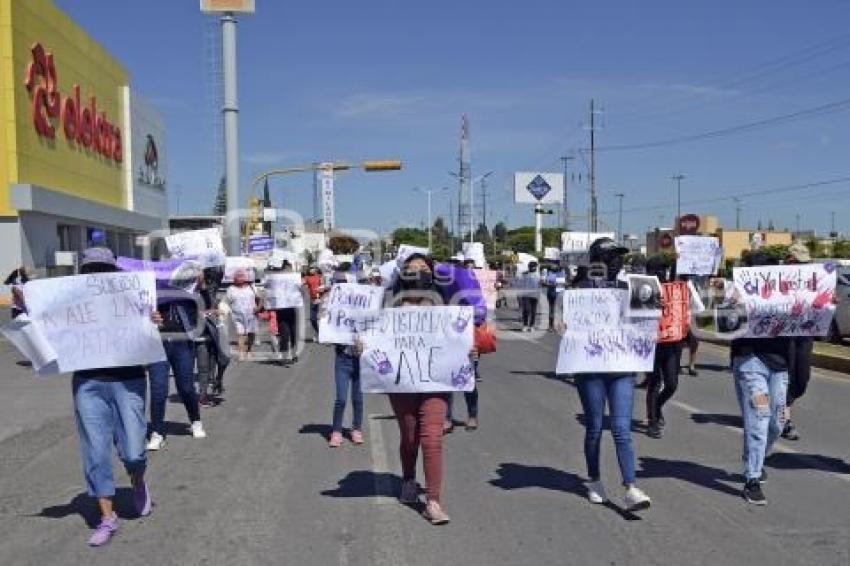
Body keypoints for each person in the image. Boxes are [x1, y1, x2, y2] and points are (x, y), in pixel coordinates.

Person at [359, 253, 459, 524]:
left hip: (435, 382)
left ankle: (434, 501)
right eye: (411, 268)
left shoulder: (446, 310)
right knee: (411, 435)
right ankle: (409, 480)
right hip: (401, 383)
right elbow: (370, 335)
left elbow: (458, 341)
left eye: (423, 267)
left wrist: (469, 349)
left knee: (432, 438)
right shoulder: (388, 310)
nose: (417, 271)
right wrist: (364, 345)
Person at [70, 248, 154, 546]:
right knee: (95, 450)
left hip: (128, 379)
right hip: (88, 382)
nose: (97, 275)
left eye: (103, 269)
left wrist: (151, 320)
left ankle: (137, 479)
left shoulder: (132, 299)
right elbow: (45, 325)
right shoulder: (72, 302)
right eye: (91, 270)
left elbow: (149, 332)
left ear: (114, 272)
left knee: (133, 450)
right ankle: (108, 517)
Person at [569, 237, 652, 511]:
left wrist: (652, 307)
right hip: (591, 369)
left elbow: (645, 324)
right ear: (597, 261)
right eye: (610, 257)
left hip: (622, 367)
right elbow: (566, 323)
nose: (617, 261)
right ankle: (594, 480)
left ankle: (630, 487)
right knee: (594, 428)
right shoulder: (580, 289)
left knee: (621, 429)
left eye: (619, 257)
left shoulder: (632, 287)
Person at [729, 251, 790, 505]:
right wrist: (730, 305)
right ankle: (752, 478)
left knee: (776, 422)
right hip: (750, 361)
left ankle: (757, 458)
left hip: (779, 363)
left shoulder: (786, 293)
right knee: (759, 416)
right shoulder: (734, 293)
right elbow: (725, 327)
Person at [146, 259, 207, 451]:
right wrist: (150, 316)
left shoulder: (188, 292)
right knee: (158, 389)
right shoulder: (150, 296)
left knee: (186, 387)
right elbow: (138, 316)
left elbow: (202, 294)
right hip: (157, 344)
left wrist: (199, 277)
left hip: (181, 342)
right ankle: (157, 432)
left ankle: (195, 420)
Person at [441, 259, 487, 432]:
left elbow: (480, 314)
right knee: (446, 379)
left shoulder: (472, 290)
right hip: (445, 339)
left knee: (469, 378)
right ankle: (447, 418)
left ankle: (472, 415)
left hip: (468, 340)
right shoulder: (441, 288)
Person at [644, 255, 687, 439]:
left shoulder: (675, 288)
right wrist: (648, 304)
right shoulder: (642, 289)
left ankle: (657, 406)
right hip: (650, 344)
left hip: (671, 343)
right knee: (654, 383)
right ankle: (652, 421)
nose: (661, 273)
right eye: (657, 270)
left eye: (663, 269)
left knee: (671, 384)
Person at [328, 269, 367, 448]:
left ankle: (356, 428)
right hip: (343, 360)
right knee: (341, 398)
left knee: (358, 399)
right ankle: (336, 430)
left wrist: (365, 343)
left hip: (361, 362)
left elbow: (376, 333)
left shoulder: (367, 310)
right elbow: (328, 330)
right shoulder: (337, 308)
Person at [782, 242, 814, 441]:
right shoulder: (777, 281)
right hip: (781, 337)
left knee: (800, 382)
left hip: (804, 336)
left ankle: (782, 409)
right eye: (799, 263)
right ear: (789, 262)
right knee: (782, 379)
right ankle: (784, 419)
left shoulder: (814, 280)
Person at [196, 267, 230, 407]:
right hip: (200, 337)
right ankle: (202, 397)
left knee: (219, 362)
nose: (213, 286)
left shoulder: (214, 297)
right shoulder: (195, 294)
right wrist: (212, 312)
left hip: (214, 335)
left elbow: (222, 311)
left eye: (215, 283)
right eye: (211, 282)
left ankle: (216, 381)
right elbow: (195, 313)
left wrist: (219, 311)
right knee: (203, 368)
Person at [273, 261, 304, 365]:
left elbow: (301, 291)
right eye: (288, 268)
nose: (289, 270)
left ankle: (293, 354)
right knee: (285, 334)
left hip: (291, 308)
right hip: (281, 309)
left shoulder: (294, 278)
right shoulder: (276, 278)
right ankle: (284, 356)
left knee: (293, 333)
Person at [226, 269, 260, 362]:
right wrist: (226, 311)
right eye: (237, 276)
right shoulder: (231, 289)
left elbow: (260, 298)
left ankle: (249, 350)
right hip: (237, 316)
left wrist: (258, 308)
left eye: (241, 276)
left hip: (251, 316)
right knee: (240, 334)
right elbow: (227, 302)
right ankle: (241, 353)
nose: (239, 278)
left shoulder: (252, 287)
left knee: (251, 334)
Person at [518, 261, 541, 332]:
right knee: (526, 310)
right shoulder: (524, 274)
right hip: (526, 294)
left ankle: (532, 326)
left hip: (535, 294)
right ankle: (525, 325)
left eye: (534, 267)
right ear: (529, 267)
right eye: (531, 267)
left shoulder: (538, 275)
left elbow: (540, 283)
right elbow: (520, 283)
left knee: (533, 311)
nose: (533, 268)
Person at [303, 266, 324, 340]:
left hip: (319, 299)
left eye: (313, 269)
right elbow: (301, 284)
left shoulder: (319, 276)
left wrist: (320, 293)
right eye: (310, 269)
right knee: (312, 319)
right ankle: (318, 332)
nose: (312, 270)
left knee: (320, 318)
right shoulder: (307, 278)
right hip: (312, 300)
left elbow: (322, 286)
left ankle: (321, 334)